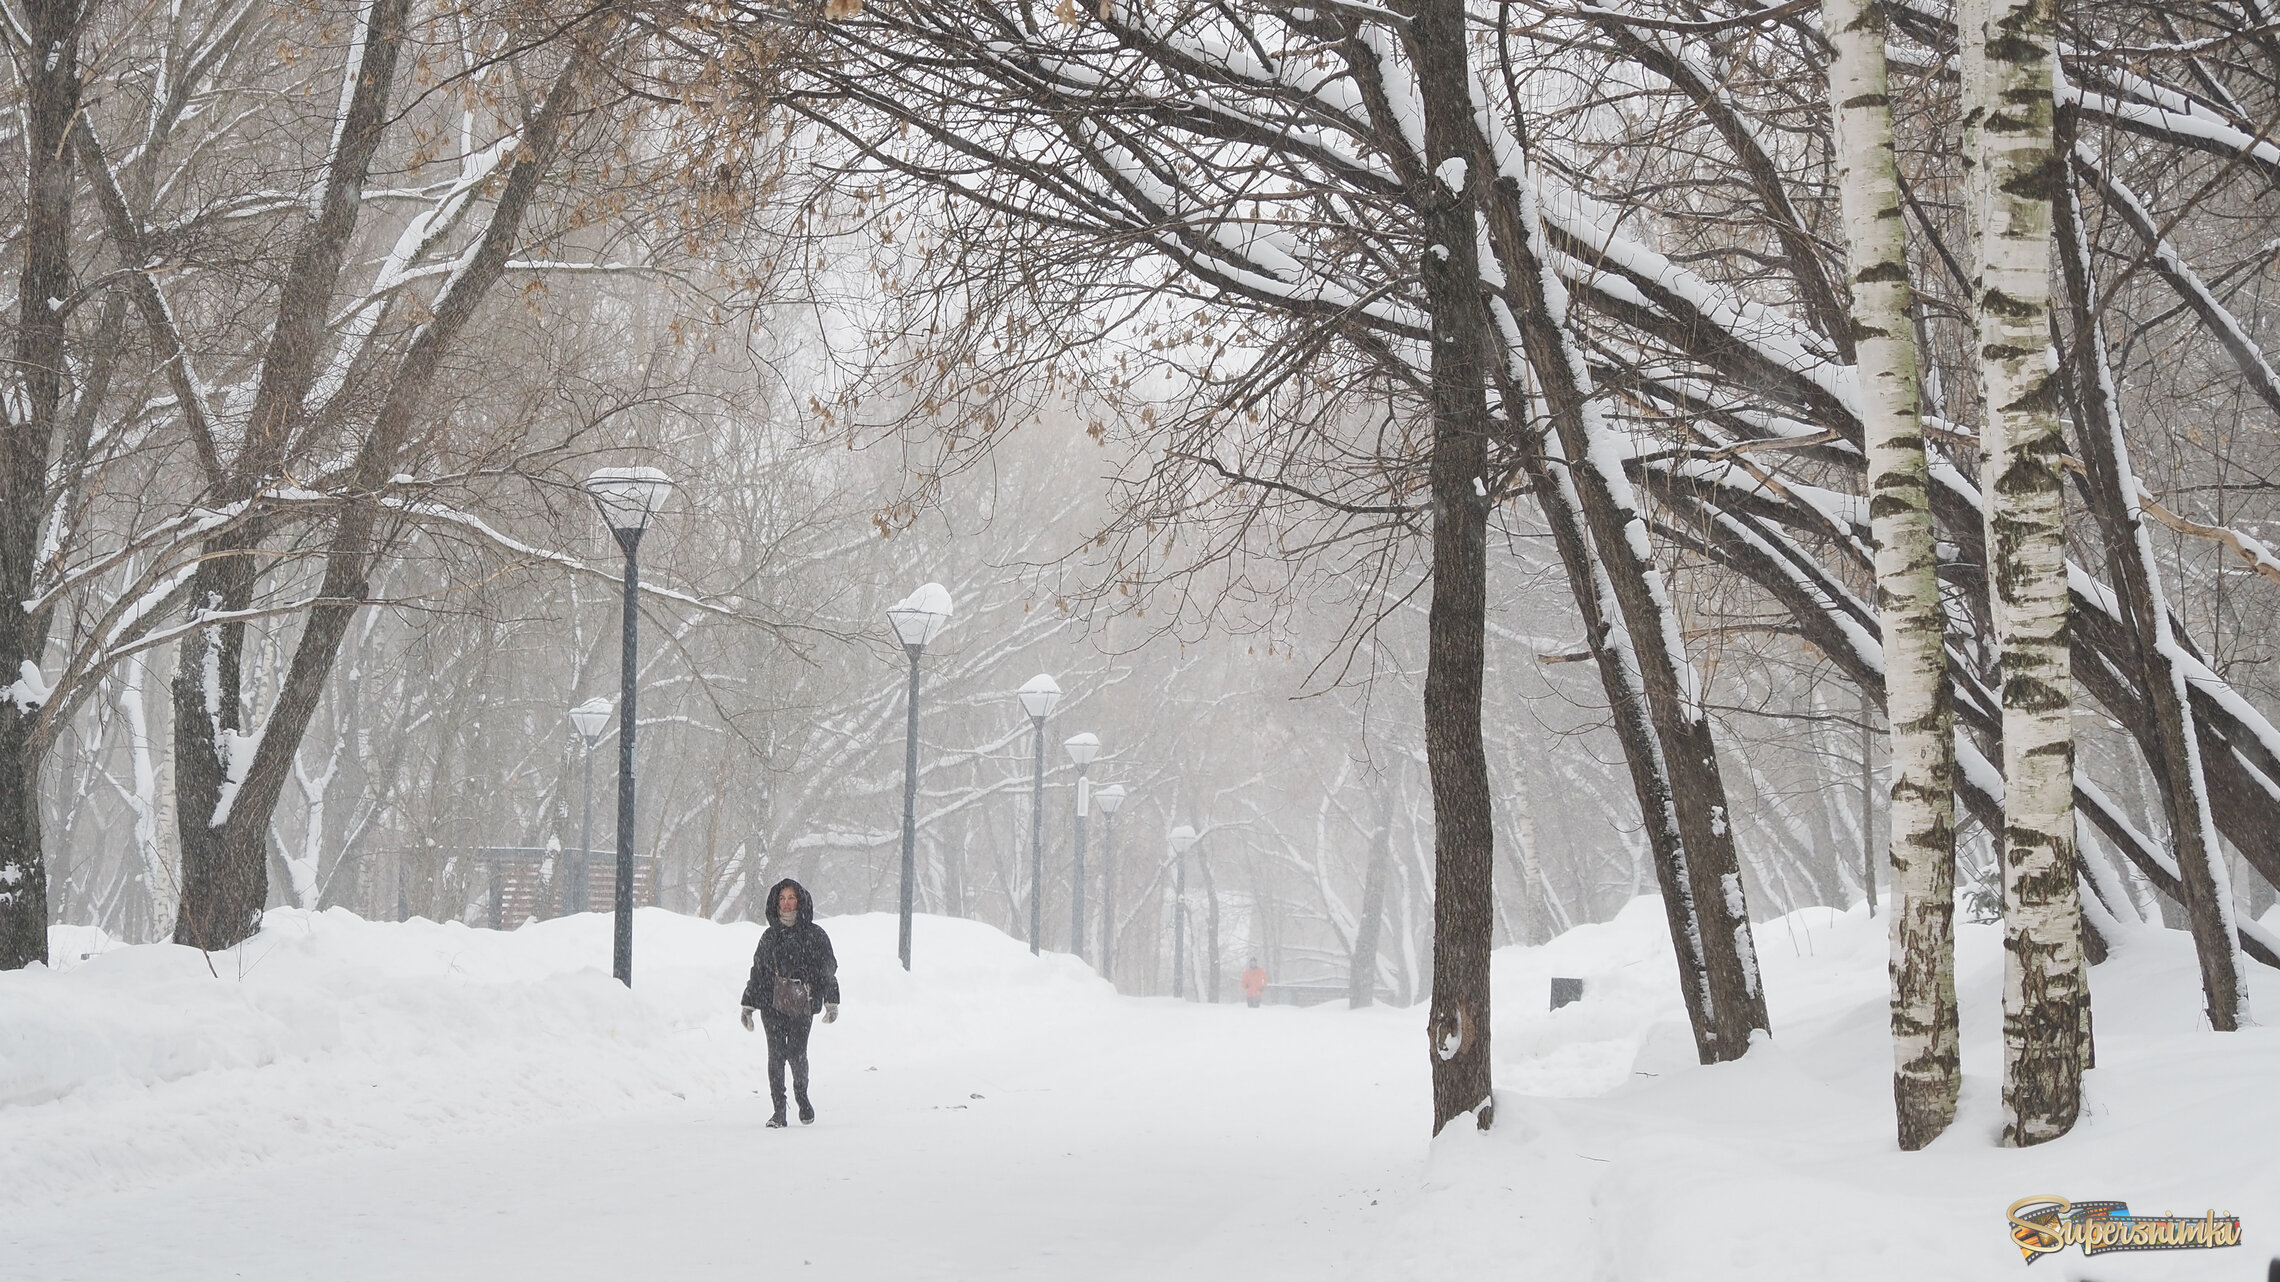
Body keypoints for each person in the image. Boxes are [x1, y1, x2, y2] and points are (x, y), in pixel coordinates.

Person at [740, 878, 840, 1127]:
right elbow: (758, 970)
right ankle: (779, 1110)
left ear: (800, 900)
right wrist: (748, 1005)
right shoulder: (769, 936)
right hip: (771, 1002)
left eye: (791, 898)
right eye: (782, 898)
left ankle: (801, 1095)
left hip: (802, 1003)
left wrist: (831, 1001)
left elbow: (828, 969)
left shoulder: (815, 935)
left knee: (796, 1053)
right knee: (775, 1056)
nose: (786, 903)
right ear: (776, 902)